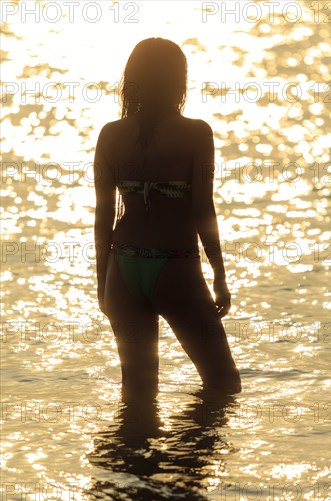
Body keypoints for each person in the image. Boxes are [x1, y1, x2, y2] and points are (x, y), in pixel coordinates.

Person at [93, 37, 241, 397]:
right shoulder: (195, 133)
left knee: (138, 392)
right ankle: (190, 450)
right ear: (178, 80)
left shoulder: (111, 134)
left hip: (123, 269)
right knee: (224, 385)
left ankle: (136, 450)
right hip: (175, 269)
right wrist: (219, 276)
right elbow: (203, 208)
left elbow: (102, 217)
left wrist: (103, 283)